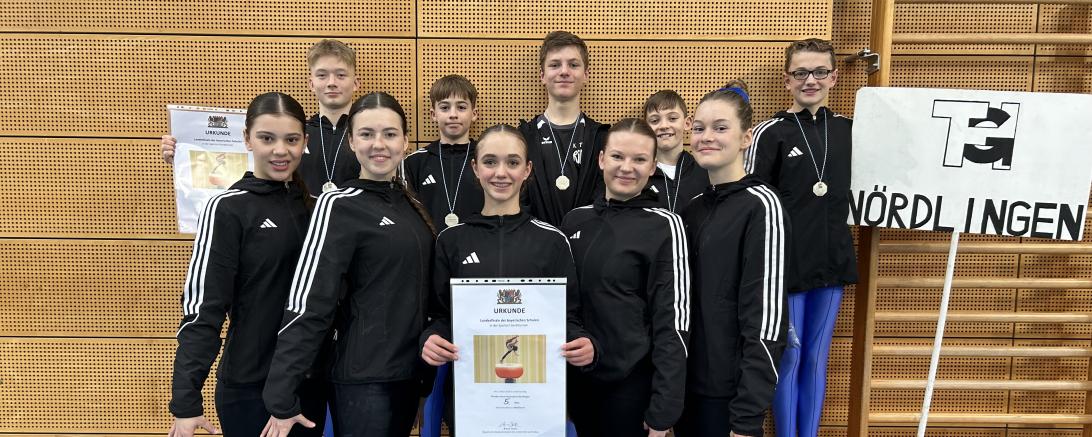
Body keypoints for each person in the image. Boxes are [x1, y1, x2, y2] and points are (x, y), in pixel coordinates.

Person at [260, 92, 434, 437]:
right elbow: (309, 301)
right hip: (362, 381)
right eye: (367, 134)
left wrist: (423, 379)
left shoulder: (410, 205)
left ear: (405, 141)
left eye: (389, 133)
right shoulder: (337, 204)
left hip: (407, 375)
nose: (378, 144)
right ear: (352, 141)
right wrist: (281, 392)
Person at [419, 124, 597, 434]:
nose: (501, 172)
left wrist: (585, 344)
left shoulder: (552, 241)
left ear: (527, 170)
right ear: (476, 168)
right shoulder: (451, 241)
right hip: (472, 398)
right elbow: (440, 316)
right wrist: (430, 339)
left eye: (512, 162)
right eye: (490, 161)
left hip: (537, 401)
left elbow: (568, 317)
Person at [168, 92, 328, 437]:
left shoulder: (318, 210)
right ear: (246, 139)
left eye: (291, 139)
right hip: (250, 388)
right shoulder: (226, 209)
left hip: (310, 387)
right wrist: (185, 400)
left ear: (306, 142)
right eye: (266, 138)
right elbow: (203, 310)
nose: (280, 150)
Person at [745, 38, 857, 437]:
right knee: (788, 356)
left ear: (834, 76)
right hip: (784, 268)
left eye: (820, 72)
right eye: (801, 73)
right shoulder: (770, 133)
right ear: (787, 79)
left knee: (815, 358)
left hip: (832, 264)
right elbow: (752, 206)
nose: (811, 80)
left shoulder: (849, 130)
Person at [561, 118, 689, 437]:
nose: (626, 167)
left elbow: (673, 322)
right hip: (577, 386)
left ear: (652, 167)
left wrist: (665, 407)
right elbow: (561, 305)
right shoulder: (574, 221)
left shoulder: (665, 226)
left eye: (639, 159)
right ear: (602, 159)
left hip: (631, 388)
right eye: (618, 156)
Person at [674, 81, 789, 437]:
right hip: (687, 391)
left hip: (730, 398)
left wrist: (747, 414)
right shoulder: (692, 209)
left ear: (745, 138)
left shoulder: (761, 205)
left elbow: (766, 317)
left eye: (720, 128)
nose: (707, 136)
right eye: (699, 128)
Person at [161, 39, 362, 197]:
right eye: (322, 75)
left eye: (341, 75)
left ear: (356, 83)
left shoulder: (369, 136)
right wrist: (183, 156)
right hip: (299, 233)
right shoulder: (293, 135)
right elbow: (235, 166)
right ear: (311, 84)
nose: (331, 83)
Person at [519, 31, 610, 226]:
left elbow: (606, 198)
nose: (564, 71)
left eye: (573, 64)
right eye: (555, 65)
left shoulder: (602, 138)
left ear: (586, 74)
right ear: (542, 75)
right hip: (537, 247)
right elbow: (519, 201)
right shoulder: (523, 138)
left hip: (588, 245)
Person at [402, 74, 484, 231]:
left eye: (461, 107)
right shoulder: (414, 163)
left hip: (479, 248)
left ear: (474, 114)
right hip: (430, 251)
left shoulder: (487, 160)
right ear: (434, 114)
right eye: (445, 107)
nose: (453, 114)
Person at [643, 90, 708, 213]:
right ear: (646, 128)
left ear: (687, 123)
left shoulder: (705, 172)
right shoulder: (639, 174)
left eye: (672, 118)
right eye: (655, 120)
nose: (663, 126)